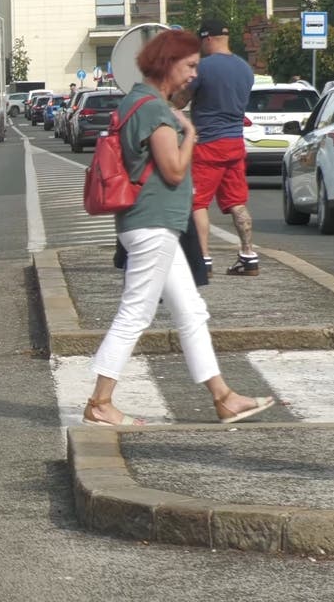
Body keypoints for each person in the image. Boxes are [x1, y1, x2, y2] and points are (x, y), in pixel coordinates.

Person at [82, 29, 275, 427]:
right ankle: (100, 402)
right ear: (168, 64)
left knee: (191, 311)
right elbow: (172, 170)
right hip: (153, 223)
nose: (193, 75)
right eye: (189, 66)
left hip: (152, 223)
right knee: (135, 313)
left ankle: (223, 397)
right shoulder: (154, 109)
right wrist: (190, 133)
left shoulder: (137, 100)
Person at [172, 18, 258, 277]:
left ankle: (203, 260)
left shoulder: (204, 68)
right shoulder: (245, 69)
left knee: (197, 203)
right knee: (237, 201)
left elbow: (180, 99)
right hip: (235, 142)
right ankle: (248, 256)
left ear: (207, 38)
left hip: (207, 144)